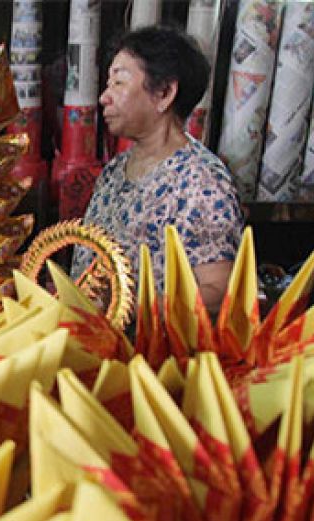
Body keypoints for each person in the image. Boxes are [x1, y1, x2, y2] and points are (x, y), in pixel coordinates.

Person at [72, 26, 244, 315]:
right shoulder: (114, 172)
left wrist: (135, 311)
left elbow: (219, 291)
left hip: (155, 354)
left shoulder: (201, 182)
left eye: (119, 83)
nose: (104, 97)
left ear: (164, 93)